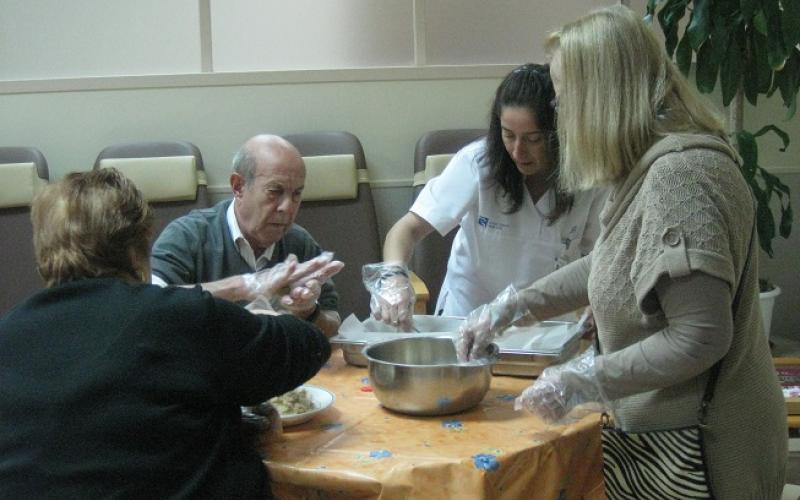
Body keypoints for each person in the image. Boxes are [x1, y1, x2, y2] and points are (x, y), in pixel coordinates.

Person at [457, 5, 787, 497]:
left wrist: (583, 378)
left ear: (602, 98)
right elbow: (613, 259)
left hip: (705, 450)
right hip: (663, 436)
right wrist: (513, 307)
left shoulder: (680, 176)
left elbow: (699, 337)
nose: (560, 117)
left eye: (564, 101)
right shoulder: (644, 165)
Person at [0, 168, 330, 498]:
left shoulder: (8, 335)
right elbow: (308, 346)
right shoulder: (178, 316)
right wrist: (264, 316)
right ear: (137, 251)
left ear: (42, 253)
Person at [365, 63, 606, 329]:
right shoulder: (477, 163)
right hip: (467, 315)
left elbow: (599, 258)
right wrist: (394, 278)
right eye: (508, 135)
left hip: (547, 325)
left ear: (559, 133)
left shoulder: (588, 175)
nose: (518, 151)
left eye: (533, 139)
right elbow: (406, 230)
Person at [151, 134, 343, 337]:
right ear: (238, 186)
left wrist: (308, 311)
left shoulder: (299, 242)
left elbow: (332, 325)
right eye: (275, 191)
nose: (287, 207)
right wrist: (244, 286)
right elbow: (150, 308)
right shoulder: (188, 236)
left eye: (296, 194)